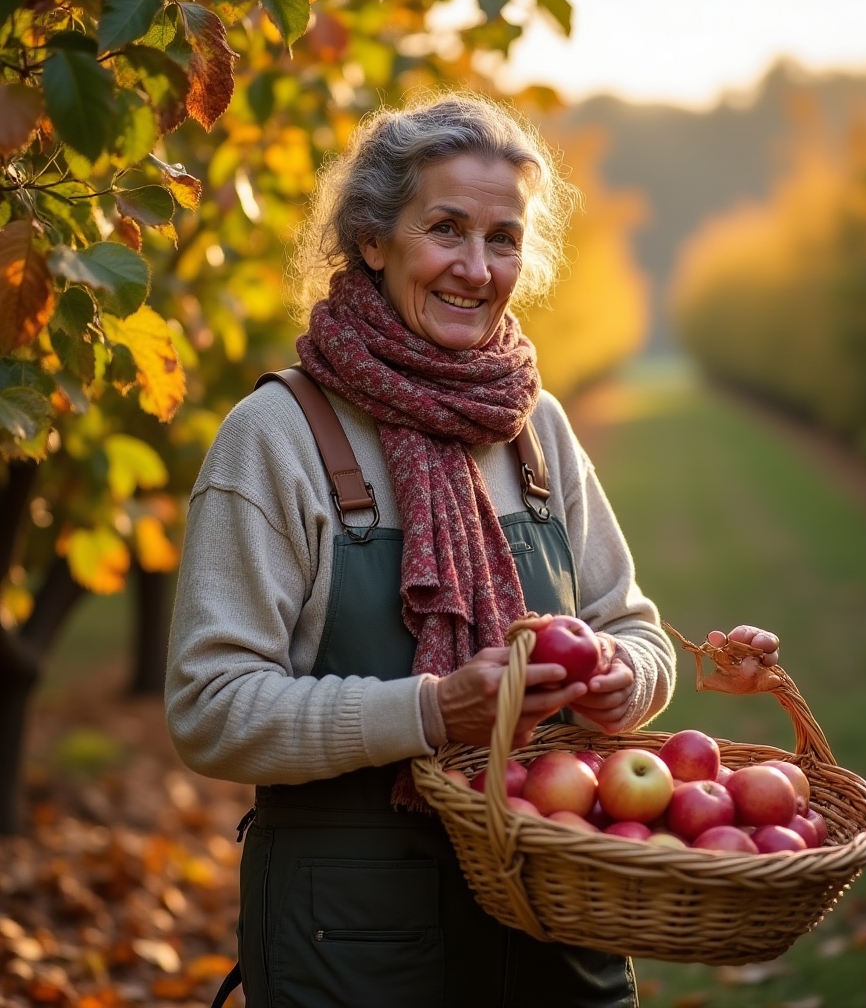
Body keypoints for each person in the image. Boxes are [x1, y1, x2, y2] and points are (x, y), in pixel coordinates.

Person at [165, 91, 778, 1008]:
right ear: (374, 240)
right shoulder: (279, 437)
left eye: (504, 238)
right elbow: (209, 707)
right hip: (354, 948)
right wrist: (432, 709)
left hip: (555, 935)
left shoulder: (536, 429)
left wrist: (626, 678)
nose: (477, 268)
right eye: (446, 229)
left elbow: (634, 629)